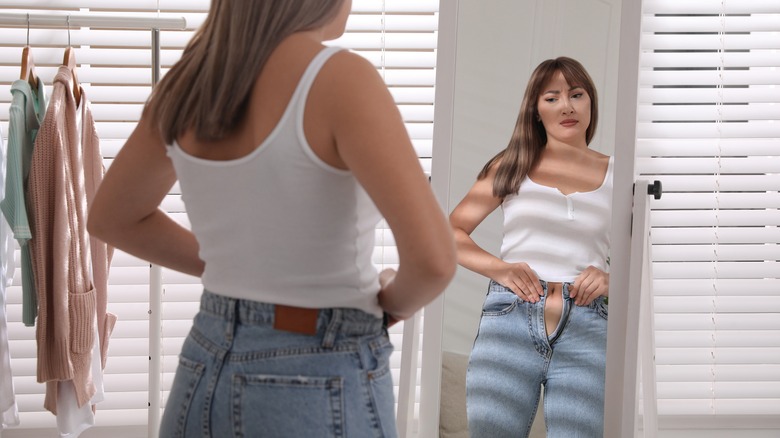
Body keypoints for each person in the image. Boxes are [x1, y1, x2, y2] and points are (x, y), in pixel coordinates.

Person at [87, 0, 456, 436]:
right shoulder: (342, 78)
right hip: (319, 370)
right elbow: (434, 263)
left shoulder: (188, 85)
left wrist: (238, 269)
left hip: (204, 362)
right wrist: (392, 304)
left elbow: (112, 218)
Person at [449, 57, 612, 437]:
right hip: (509, 320)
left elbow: (648, 259)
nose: (566, 106)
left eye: (576, 95)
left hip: (588, 327)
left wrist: (612, 279)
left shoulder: (619, 175)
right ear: (536, 111)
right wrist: (500, 268)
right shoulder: (511, 165)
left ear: (591, 102)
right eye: (552, 98)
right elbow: (449, 233)